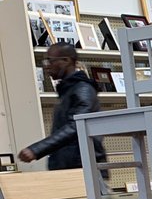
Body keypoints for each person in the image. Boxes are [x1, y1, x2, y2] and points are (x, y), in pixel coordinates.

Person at [18, 43, 107, 176]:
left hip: (82, 169)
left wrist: (36, 149)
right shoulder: (69, 90)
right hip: (71, 167)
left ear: (66, 60)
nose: (46, 65)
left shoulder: (82, 89)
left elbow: (75, 126)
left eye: (50, 60)